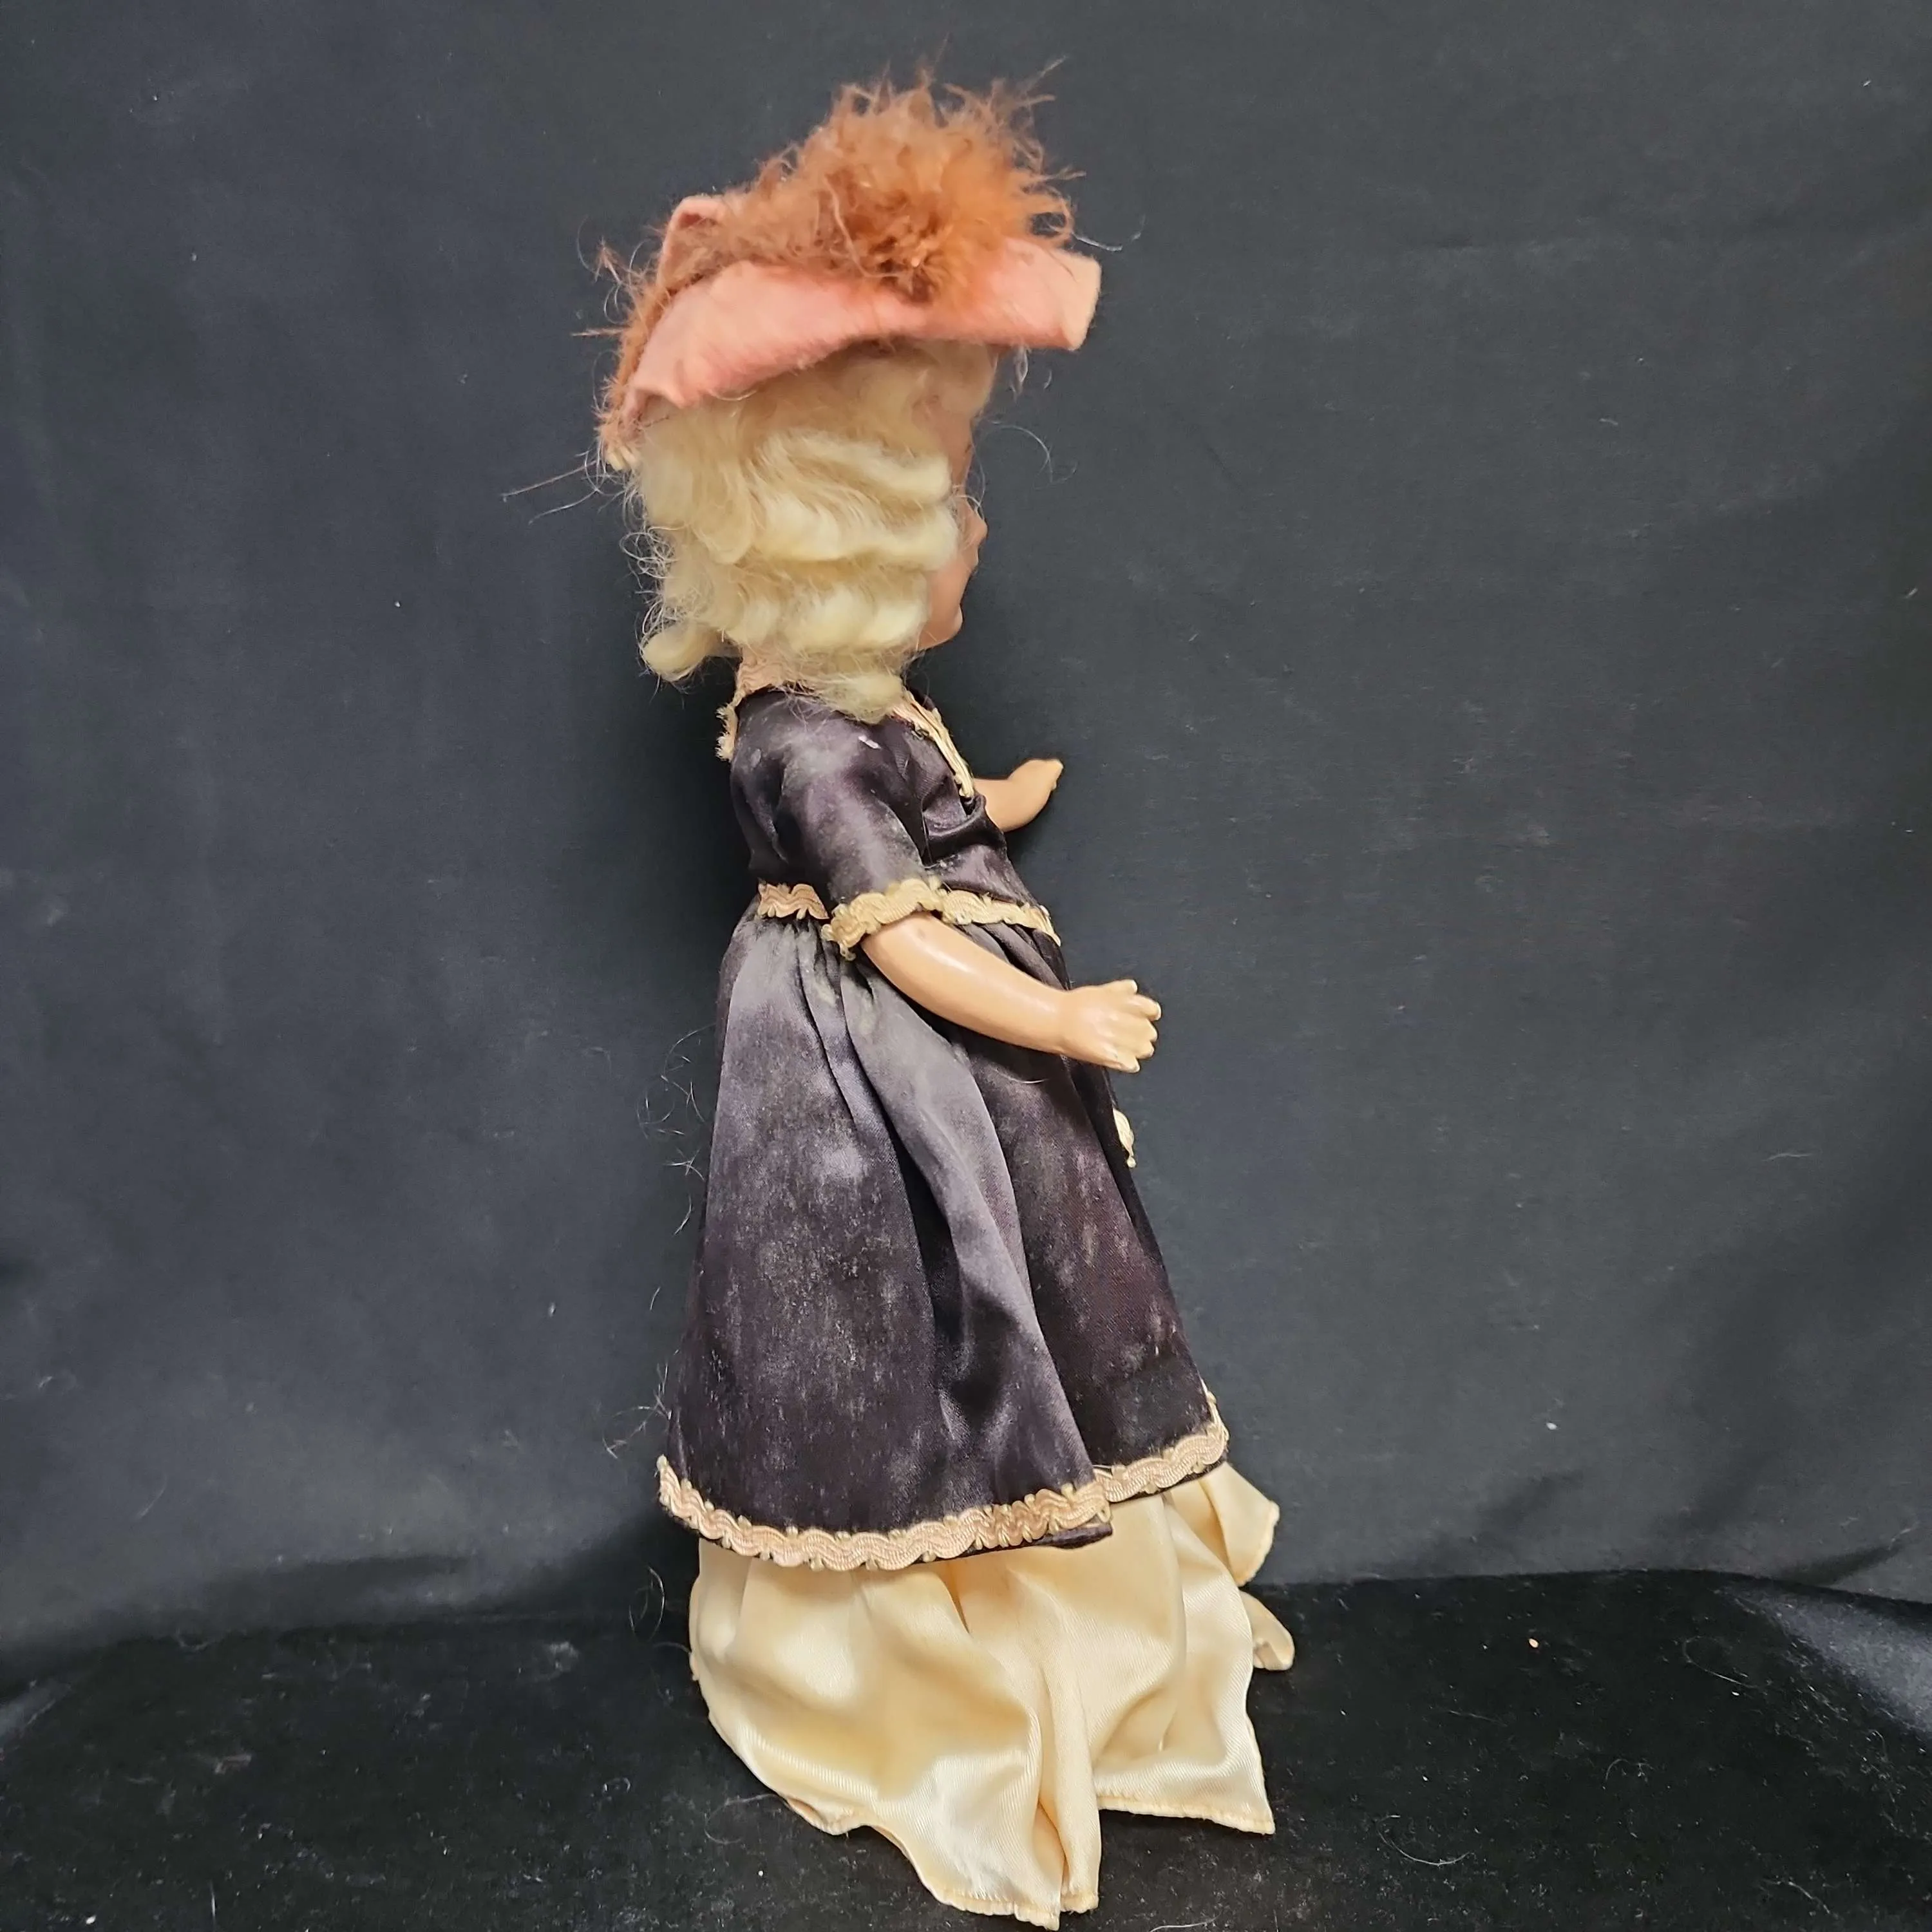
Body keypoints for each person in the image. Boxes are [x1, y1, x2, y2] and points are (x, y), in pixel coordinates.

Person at [596, 79, 1293, 1927]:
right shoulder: (798, 735)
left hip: (944, 1045)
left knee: (1028, 1281)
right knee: (911, 1306)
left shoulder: (859, 706)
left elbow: (924, 811)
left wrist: (997, 801)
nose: (973, 526)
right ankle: (915, 1630)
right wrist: (1061, 1023)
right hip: (874, 1072)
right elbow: (895, 935)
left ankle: (1042, 1586)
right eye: (950, 496)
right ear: (860, 529)